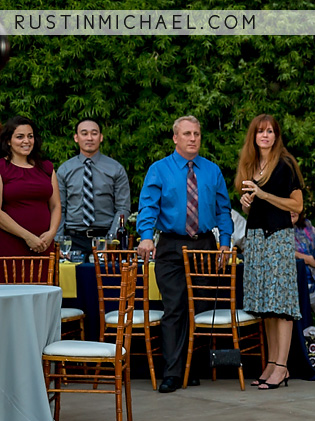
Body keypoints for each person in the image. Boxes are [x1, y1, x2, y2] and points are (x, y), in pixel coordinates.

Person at [136, 115, 233, 394]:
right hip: (171, 246)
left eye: (197, 134)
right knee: (175, 308)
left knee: (198, 310)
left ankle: (190, 368)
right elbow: (148, 208)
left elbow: (223, 209)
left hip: (204, 246)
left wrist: (224, 242)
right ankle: (172, 373)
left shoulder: (212, 170)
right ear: (175, 138)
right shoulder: (159, 169)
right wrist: (145, 237)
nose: (193, 138)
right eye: (187, 134)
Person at [235, 114, 304, 391]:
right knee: (266, 305)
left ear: (276, 135)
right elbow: (252, 208)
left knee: (282, 305)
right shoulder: (251, 164)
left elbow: (296, 206)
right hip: (255, 239)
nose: (265, 136)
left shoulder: (285, 163)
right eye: (260, 131)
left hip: (278, 238)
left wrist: (263, 195)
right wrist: (247, 204)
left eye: (270, 131)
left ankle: (282, 366)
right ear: (253, 136)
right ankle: (272, 363)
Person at [56, 118, 130, 255]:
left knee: (105, 276)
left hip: (105, 237)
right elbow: (59, 208)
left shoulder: (116, 169)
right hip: (73, 240)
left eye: (94, 133)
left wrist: (111, 238)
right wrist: (59, 241)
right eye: (84, 133)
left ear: (101, 137)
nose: (89, 138)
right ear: (76, 138)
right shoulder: (64, 170)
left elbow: (123, 207)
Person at [0, 116, 60, 284]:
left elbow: (55, 206)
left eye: (30, 136)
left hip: (43, 245)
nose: (26, 141)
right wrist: (28, 237)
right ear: (9, 141)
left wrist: (51, 233)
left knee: (42, 298)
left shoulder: (46, 167)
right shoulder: (1, 167)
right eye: (20, 136)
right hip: (10, 247)